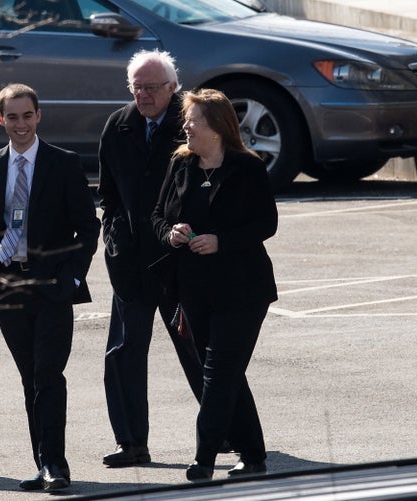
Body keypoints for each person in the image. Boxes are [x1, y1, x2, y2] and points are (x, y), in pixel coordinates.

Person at [0, 83, 100, 491]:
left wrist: (74, 276)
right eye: (12, 117)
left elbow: (88, 225)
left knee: (48, 373)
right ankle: (42, 462)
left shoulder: (62, 162)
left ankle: (56, 465)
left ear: (38, 116)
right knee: (30, 377)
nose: (20, 124)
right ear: (1, 120)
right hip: (10, 286)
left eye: (27, 115)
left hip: (52, 286)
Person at [151, 88, 278, 481]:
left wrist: (222, 240)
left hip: (243, 288)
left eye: (193, 120)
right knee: (227, 372)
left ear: (217, 127)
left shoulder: (248, 168)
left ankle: (204, 457)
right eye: (186, 120)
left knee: (218, 371)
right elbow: (157, 216)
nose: (185, 126)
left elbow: (266, 224)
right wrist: (171, 233)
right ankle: (253, 454)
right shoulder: (181, 165)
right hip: (193, 287)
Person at [97, 49, 204, 467]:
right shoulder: (119, 125)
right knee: (123, 352)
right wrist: (114, 238)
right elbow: (107, 193)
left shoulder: (192, 123)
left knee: (199, 348)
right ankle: (131, 443)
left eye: (152, 87)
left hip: (180, 260)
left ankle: (228, 430)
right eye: (137, 87)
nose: (143, 94)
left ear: (173, 88)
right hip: (130, 261)